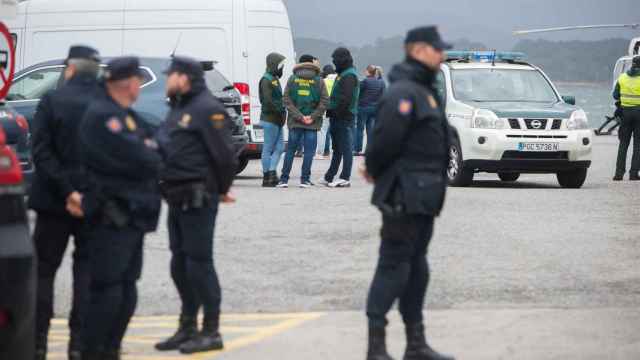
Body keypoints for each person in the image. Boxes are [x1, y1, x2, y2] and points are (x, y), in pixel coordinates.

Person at [361, 26, 455, 360]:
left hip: (425, 198)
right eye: (436, 49)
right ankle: (376, 347)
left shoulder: (423, 90)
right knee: (394, 266)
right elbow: (383, 142)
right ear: (416, 50)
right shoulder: (403, 91)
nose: (441, 54)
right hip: (404, 195)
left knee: (417, 269)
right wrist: (373, 168)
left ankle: (416, 345)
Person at [78, 57, 162, 360]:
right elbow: (145, 156)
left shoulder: (126, 116)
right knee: (108, 288)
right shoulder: (103, 116)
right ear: (127, 83)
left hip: (133, 216)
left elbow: (156, 148)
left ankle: (110, 348)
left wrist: (149, 151)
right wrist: (149, 151)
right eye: (138, 80)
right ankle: (95, 351)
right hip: (111, 216)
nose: (140, 85)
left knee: (126, 286)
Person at [154, 56, 238, 354]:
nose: (167, 80)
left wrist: (221, 189)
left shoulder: (207, 109)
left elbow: (225, 156)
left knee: (199, 264)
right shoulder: (178, 107)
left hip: (198, 195)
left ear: (184, 77)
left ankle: (211, 330)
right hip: (176, 196)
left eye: (171, 75)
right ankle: (187, 326)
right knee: (180, 264)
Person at [29, 45, 101, 360]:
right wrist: (83, 193)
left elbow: (41, 151)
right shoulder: (105, 103)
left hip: (53, 202)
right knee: (85, 272)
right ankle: (78, 345)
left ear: (70, 68)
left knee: (43, 271)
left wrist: (66, 190)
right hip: (90, 203)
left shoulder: (52, 100)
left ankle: (38, 342)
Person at [276, 54, 329, 188]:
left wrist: (299, 116)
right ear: (312, 64)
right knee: (309, 152)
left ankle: (284, 179)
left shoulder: (293, 79)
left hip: (295, 121)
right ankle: (304, 180)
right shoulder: (319, 80)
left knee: (290, 151)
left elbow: (286, 99)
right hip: (313, 123)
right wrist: (312, 116)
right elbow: (324, 101)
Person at [320, 47, 360, 188]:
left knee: (346, 148)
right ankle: (329, 176)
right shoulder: (343, 74)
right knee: (337, 149)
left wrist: (335, 111)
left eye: (335, 59)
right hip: (337, 117)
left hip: (344, 117)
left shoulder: (349, 75)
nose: (334, 62)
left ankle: (345, 177)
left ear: (342, 59)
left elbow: (346, 98)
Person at [259, 52, 287, 187]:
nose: (281, 68)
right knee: (268, 148)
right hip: (269, 118)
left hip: (277, 119)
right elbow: (267, 100)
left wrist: (282, 108)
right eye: (280, 65)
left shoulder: (274, 78)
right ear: (273, 64)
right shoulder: (266, 79)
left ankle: (271, 172)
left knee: (280, 147)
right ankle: (267, 176)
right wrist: (280, 108)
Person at [613, 54, 640, 181]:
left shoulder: (622, 78)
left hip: (625, 113)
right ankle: (633, 174)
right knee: (638, 145)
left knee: (623, 143)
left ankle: (618, 174)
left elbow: (615, 95)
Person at [354, 65, 386, 155]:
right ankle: (369, 150)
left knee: (360, 128)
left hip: (363, 107)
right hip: (374, 108)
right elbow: (382, 95)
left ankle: (357, 149)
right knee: (370, 130)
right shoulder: (380, 82)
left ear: (368, 71)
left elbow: (358, 92)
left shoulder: (365, 81)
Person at [318, 64, 338, 159]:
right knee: (331, 131)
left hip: (324, 107)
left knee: (323, 130)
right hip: (335, 108)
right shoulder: (338, 81)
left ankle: (320, 152)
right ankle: (329, 151)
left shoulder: (323, 81)